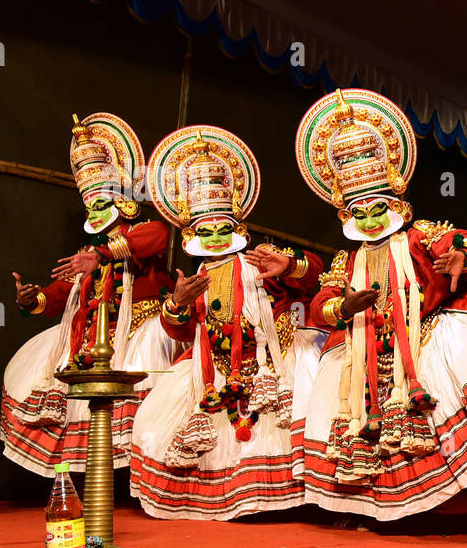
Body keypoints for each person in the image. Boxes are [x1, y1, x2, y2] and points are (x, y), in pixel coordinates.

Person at [295, 89, 467, 523]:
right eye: (361, 212)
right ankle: (370, 506)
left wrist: (460, 258)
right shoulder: (349, 260)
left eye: (378, 209)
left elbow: (463, 240)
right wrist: (344, 307)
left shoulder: (416, 237)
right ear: (346, 215)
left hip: (428, 340)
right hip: (365, 351)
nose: (371, 220)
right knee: (359, 426)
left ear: (395, 203)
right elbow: (320, 306)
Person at [130, 124, 324, 520]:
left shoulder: (260, 260)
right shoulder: (194, 278)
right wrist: (178, 304)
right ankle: (231, 499)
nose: (217, 238)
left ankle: (291, 499)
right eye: (206, 231)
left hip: (276, 362)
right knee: (155, 416)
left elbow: (312, 282)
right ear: (190, 233)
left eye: (224, 229)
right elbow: (181, 333)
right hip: (215, 368)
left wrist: (288, 266)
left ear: (238, 228)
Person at [1, 112, 177, 475]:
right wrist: (31, 299)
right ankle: (92, 473)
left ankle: (142, 470)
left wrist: (101, 255)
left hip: (146, 329)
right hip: (99, 336)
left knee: (142, 365)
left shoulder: (142, 234)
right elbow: (61, 292)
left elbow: (157, 236)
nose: (94, 211)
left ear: (122, 202)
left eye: (102, 203)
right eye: (90, 205)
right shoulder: (88, 253)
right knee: (52, 368)